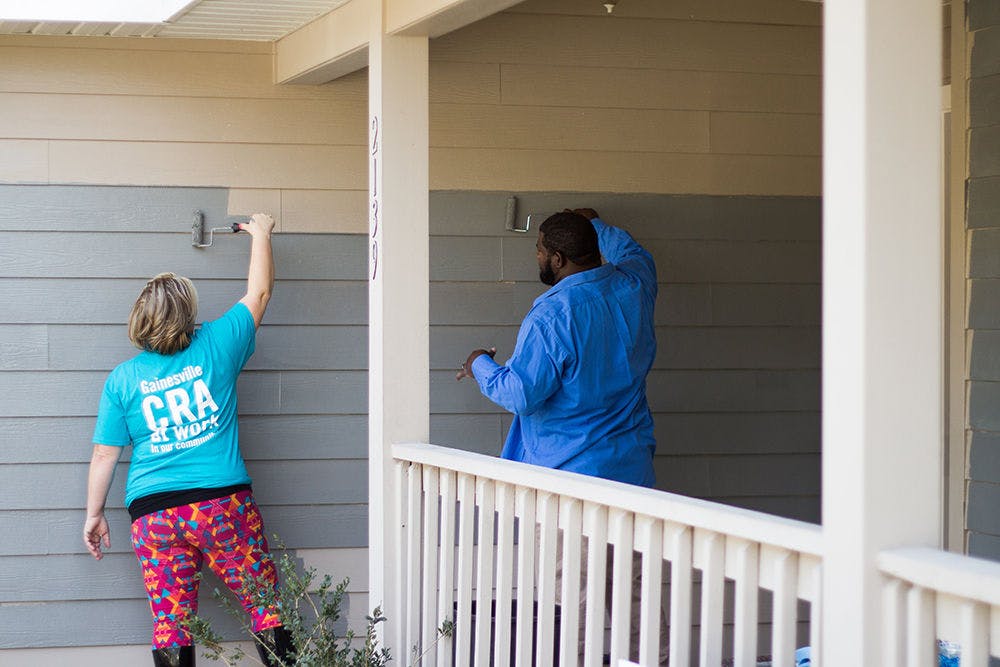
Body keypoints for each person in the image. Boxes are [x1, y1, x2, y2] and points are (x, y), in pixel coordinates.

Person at [456, 208, 665, 663]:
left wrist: (480, 365)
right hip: (631, 479)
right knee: (639, 607)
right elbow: (635, 252)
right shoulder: (635, 285)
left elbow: (521, 393)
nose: (537, 257)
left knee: (575, 609)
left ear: (555, 259)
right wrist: (597, 225)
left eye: (539, 251)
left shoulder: (553, 314)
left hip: (568, 488)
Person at [83, 213, 292, 667]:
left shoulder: (123, 379)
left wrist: (95, 514)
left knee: (170, 622)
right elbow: (259, 293)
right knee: (264, 605)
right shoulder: (217, 343)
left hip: (154, 515)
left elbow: (105, 454)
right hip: (222, 504)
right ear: (188, 313)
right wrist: (261, 234)